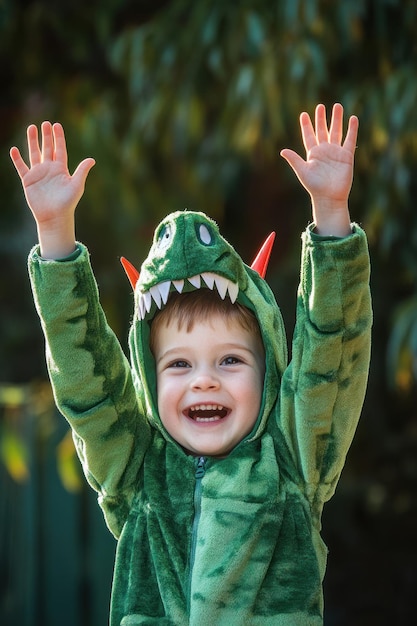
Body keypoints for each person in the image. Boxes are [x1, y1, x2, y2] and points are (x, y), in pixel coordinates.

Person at [10, 103, 372, 625]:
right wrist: (55, 234)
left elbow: (332, 356)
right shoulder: (137, 471)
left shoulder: (292, 460)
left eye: (230, 360)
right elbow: (87, 382)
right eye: (179, 365)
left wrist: (333, 216)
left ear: (269, 370)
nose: (205, 380)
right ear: (150, 377)